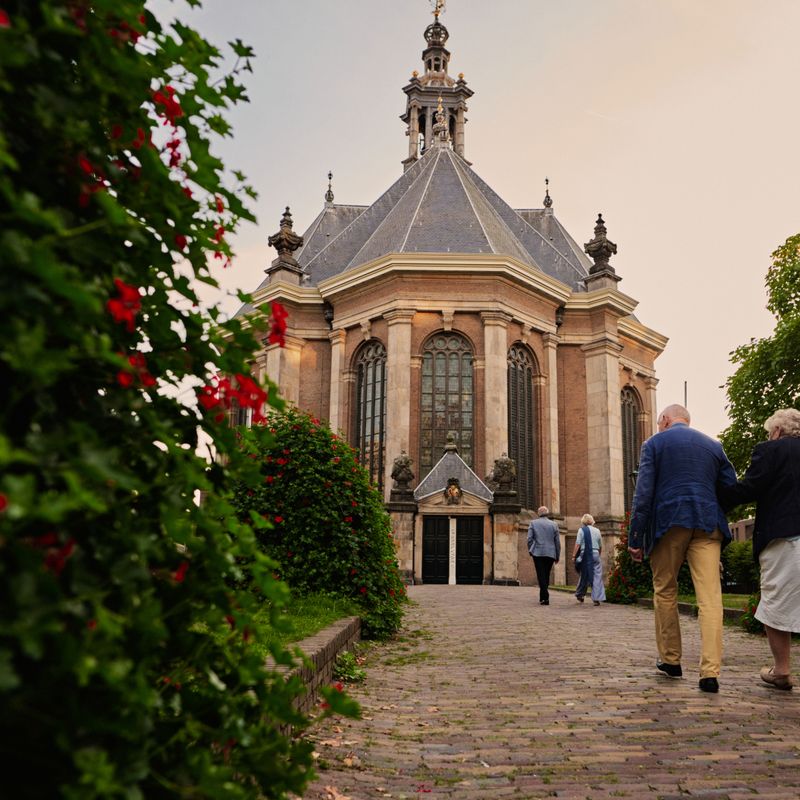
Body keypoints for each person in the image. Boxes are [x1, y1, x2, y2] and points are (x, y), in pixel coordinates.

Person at [628, 403, 737, 694]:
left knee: (665, 589)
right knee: (710, 598)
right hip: (708, 523)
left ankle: (671, 660)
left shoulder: (654, 444)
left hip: (669, 521)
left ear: (665, 420)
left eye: (658, 422)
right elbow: (731, 488)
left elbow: (643, 494)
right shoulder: (714, 446)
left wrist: (635, 537)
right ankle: (710, 673)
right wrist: (713, 507)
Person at [718, 408, 800, 691]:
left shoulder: (770, 450)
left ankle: (782, 670)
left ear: (776, 431)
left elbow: (749, 488)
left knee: (775, 602)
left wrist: (716, 496)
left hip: (784, 538)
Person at [527, 506, 560, 605]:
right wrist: (557, 555)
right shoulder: (554, 524)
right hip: (550, 553)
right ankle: (543, 597)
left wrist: (531, 549)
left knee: (541, 574)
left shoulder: (533, 523)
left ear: (538, 513)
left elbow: (529, 539)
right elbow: (557, 542)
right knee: (546, 574)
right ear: (547, 513)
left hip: (537, 552)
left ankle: (545, 597)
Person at [573, 514, 605, 606]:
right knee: (597, 576)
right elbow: (600, 545)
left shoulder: (581, 530)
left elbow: (578, 544)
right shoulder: (597, 530)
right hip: (595, 553)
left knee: (584, 574)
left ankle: (580, 594)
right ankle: (596, 598)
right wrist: (598, 555)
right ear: (592, 521)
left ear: (583, 521)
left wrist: (574, 555)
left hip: (585, 554)